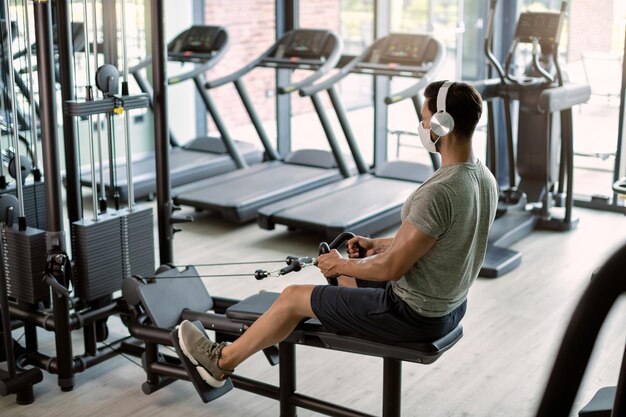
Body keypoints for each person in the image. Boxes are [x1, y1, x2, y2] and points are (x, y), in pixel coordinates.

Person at [178, 80, 499, 388]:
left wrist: (340, 265)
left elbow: (391, 269)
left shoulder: (440, 191)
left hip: (411, 314)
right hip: (450, 308)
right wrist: (377, 244)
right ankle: (312, 312)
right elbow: (442, 239)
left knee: (292, 298)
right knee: (343, 280)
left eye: (424, 119)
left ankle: (220, 362)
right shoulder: (483, 177)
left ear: (441, 125)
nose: (423, 127)